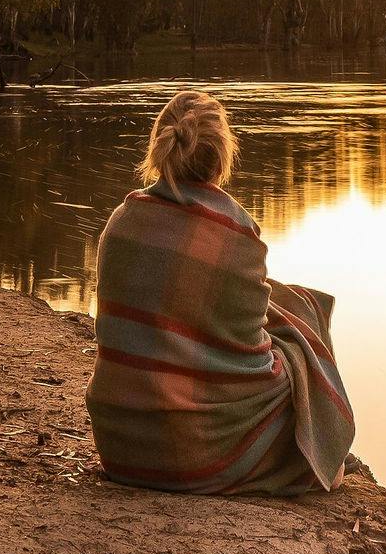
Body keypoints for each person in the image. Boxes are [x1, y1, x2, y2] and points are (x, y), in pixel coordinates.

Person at [86, 87, 356, 496]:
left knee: (284, 305)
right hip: (197, 455)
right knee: (302, 322)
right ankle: (320, 455)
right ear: (222, 155)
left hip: (122, 445)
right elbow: (253, 349)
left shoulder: (121, 221)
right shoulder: (237, 233)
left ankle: (318, 446)